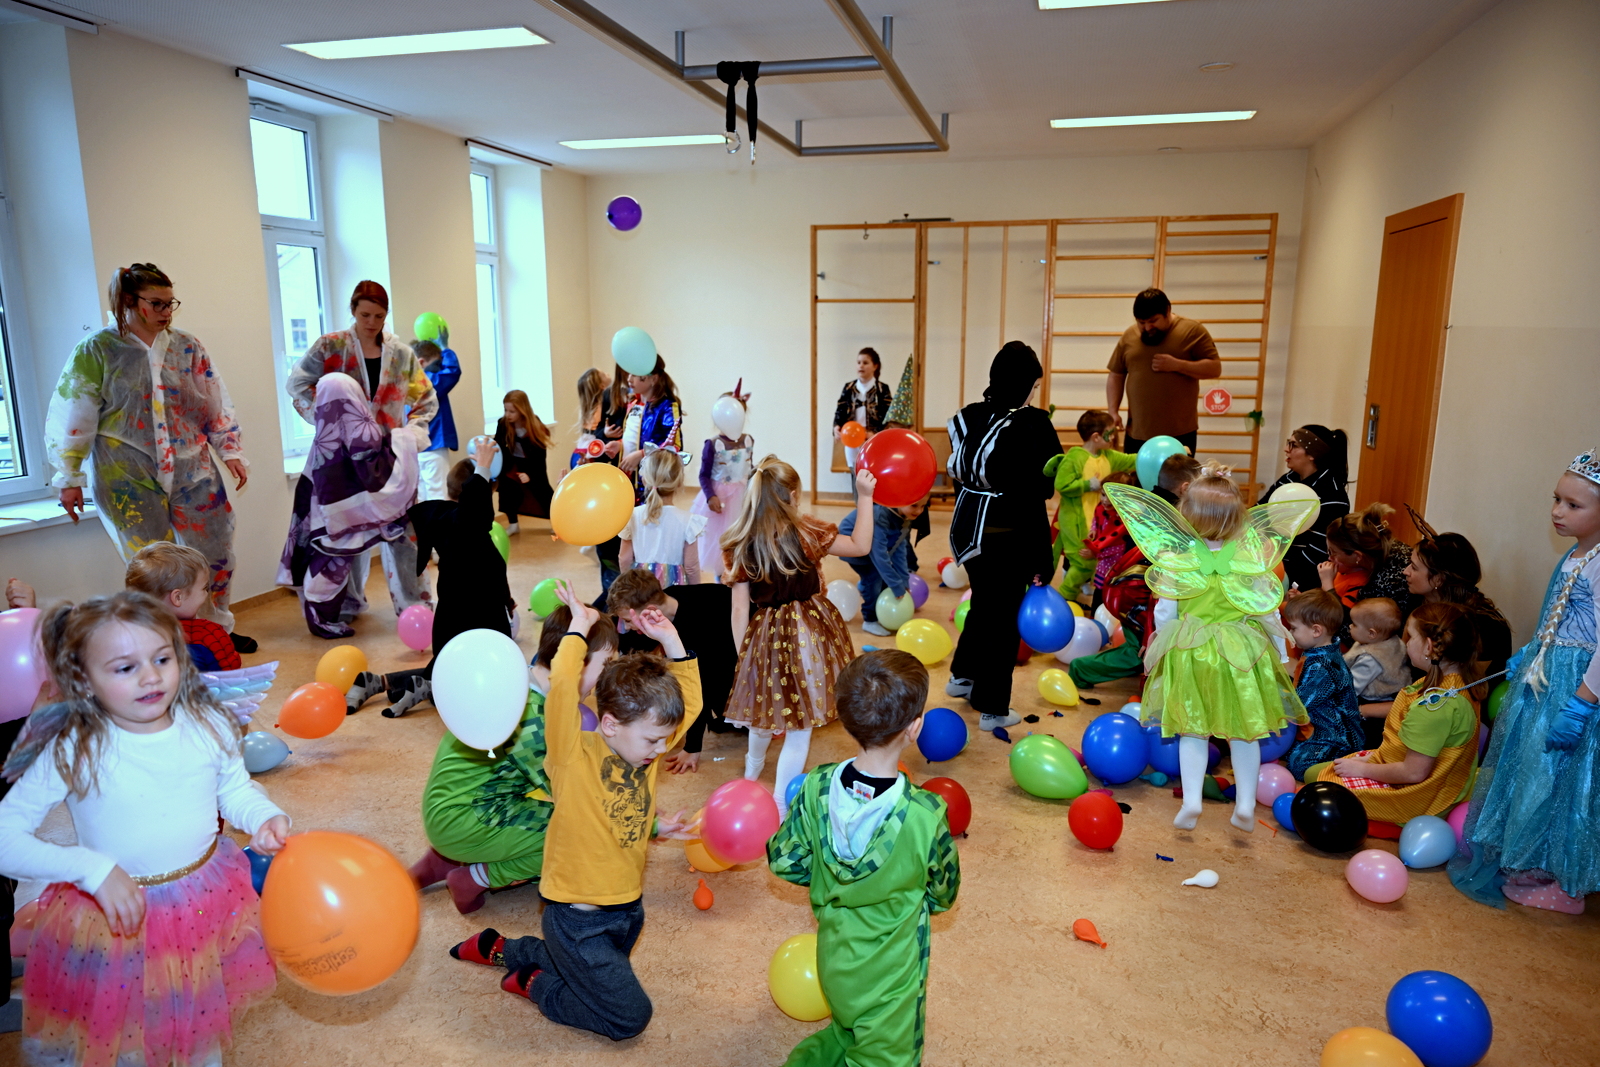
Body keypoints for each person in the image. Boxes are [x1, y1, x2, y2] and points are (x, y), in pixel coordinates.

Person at [0, 591, 290, 1067]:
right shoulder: (73, 747)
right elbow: (5, 839)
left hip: (202, 902)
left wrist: (263, 815)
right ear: (83, 678)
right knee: (128, 1040)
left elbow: (234, 790)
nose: (151, 676)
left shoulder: (209, 724)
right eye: (125, 667)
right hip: (114, 917)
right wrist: (90, 868)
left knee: (199, 1026)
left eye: (162, 658)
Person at [450, 582, 700, 1041]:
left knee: (594, 972)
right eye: (653, 740)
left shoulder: (643, 751)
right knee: (629, 1018)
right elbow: (562, 691)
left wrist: (671, 641)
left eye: (664, 739)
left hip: (626, 906)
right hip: (577, 921)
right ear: (610, 724)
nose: (661, 749)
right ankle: (537, 984)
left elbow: (689, 704)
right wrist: (577, 634)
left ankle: (503, 948)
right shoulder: (570, 754)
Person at [767, 650, 961, 1067]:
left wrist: (826, 875)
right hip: (891, 977)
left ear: (846, 721)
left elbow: (783, 859)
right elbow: (944, 893)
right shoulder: (925, 815)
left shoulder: (815, 786)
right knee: (890, 1056)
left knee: (846, 1024)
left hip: (833, 956)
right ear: (915, 728)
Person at [46, 263, 253, 646]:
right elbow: (73, 417)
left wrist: (231, 450)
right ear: (129, 301)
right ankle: (164, 640)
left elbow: (215, 402)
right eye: (156, 303)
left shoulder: (187, 347)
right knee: (152, 568)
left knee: (215, 554)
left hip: (194, 470)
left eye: (170, 303)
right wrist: (69, 477)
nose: (166, 311)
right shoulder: (97, 350)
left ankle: (215, 631)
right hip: (126, 478)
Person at [1104, 469, 1313, 831]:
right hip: (1240, 656)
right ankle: (1245, 804)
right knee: (1245, 733)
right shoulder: (1249, 560)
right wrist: (1280, 653)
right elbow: (1266, 611)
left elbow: (1166, 612)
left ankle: (1191, 802)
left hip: (1192, 653)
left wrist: (1159, 647)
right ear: (1238, 517)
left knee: (1192, 731)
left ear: (1187, 513)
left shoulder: (1179, 560)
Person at [1450, 451, 1600, 914]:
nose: (1558, 511)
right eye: (1557, 499)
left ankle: (1565, 884)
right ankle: (1533, 860)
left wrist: (1583, 702)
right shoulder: (1577, 554)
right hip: (1547, 679)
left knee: (1562, 779)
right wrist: (1532, 653)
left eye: (1573, 505)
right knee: (1532, 770)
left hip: (1576, 687)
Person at [410, 608, 618, 914]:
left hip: (448, 807)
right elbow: (572, 791)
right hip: (466, 819)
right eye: (606, 664)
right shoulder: (534, 720)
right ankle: (472, 879)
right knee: (577, 833)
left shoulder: (517, 679)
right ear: (577, 660)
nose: (607, 677)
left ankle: (440, 862)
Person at [723, 458, 878, 813]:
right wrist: (865, 496)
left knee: (762, 709)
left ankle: (751, 771)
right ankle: (780, 806)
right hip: (810, 633)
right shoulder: (807, 532)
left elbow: (738, 610)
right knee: (799, 724)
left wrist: (744, 660)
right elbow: (860, 546)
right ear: (793, 495)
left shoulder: (741, 541)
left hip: (765, 635)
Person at [287, 280, 436, 616]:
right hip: (341, 460)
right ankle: (347, 604)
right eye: (365, 314)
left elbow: (426, 398)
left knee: (405, 532)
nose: (372, 322)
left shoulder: (401, 355)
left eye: (379, 316)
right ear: (353, 310)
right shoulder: (330, 347)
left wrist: (414, 432)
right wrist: (328, 421)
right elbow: (297, 384)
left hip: (390, 458)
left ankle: (415, 606)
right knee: (346, 533)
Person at [945, 342, 1063, 729]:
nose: (1033, 394)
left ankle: (963, 676)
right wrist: (1043, 560)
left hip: (967, 532)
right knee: (1004, 622)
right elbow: (1036, 496)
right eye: (1033, 386)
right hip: (1007, 536)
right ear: (1024, 384)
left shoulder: (969, 416)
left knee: (984, 605)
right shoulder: (1034, 425)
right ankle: (992, 707)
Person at [346, 440, 510, 717]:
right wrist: (483, 469)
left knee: (446, 666)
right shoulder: (468, 527)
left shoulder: (442, 518)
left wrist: (508, 598)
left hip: (453, 624)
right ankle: (427, 688)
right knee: (475, 678)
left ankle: (378, 682)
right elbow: (473, 514)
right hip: (473, 624)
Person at [1306, 603, 1483, 833]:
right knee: (1316, 773)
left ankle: (1392, 826)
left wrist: (1362, 770)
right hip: (1416, 773)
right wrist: (1371, 760)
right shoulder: (1456, 685)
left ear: (1429, 647)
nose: (1405, 643)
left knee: (1319, 786)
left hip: (1420, 797)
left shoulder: (1436, 707)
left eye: (1410, 636)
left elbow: (1413, 773)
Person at [277, 373, 423, 639]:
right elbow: (374, 465)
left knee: (327, 562)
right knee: (332, 566)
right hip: (340, 514)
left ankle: (323, 616)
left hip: (323, 510)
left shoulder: (326, 428)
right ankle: (322, 619)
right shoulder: (361, 428)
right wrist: (406, 439)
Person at [607, 569, 740, 774]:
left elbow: (698, 689)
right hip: (719, 655)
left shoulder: (698, 625)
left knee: (726, 708)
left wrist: (692, 747)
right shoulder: (664, 601)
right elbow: (632, 645)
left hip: (736, 662)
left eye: (627, 620)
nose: (625, 626)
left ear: (649, 610)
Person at [1104, 288, 1220, 455]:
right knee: (1134, 473)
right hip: (1137, 432)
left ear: (1167, 311)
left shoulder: (1192, 331)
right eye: (1141, 322)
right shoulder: (1130, 335)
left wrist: (1178, 365)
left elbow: (1215, 368)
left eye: (1153, 321)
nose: (1147, 327)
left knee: (1177, 473)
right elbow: (1116, 374)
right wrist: (1113, 411)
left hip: (1179, 433)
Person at [1044, 410, 1139, 601]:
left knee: (1092, 562)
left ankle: (1070, 596)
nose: (1114, 437)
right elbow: (1061, 484)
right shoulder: (1075, 457)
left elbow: (1133, 459)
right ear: (1096, 437)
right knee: (1083, 564)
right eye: (1110, 433)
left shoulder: (1108, 456)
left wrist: (1169, 453)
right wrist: (1088, 485)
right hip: (1076, 522)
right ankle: (1064, 598)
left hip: (1098, 523)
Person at [1404, 526, 1513, 675]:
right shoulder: (1417, 600)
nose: (1405, 571)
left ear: (1438, 579)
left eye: (1414, 567)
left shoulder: (1485, 627)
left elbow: (1467, 684)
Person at [1282, 591, 1365, 781]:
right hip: (1320, 729)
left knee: (1298, 766)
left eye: (1294, 628)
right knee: (1289, 753)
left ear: (1316, 631)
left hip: (1337, 739)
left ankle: (1347, 766)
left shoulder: (1323, 665)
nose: (1291, 633)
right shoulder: (1321, 652)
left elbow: (1300, 705)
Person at [1258, 425, 1351, 595]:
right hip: (1271, 563)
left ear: (1312, 454)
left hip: (1300, 580)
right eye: (1288, 443)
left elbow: (1317, 553)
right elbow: (1259, 512)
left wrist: (1279, 576)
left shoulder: (1332, 495)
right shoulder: (1288, 479)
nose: (1286, 449)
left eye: (1293, 445)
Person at [125, 542, 241, 672]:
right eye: (204, 588)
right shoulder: (209, 635)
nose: (206, 593)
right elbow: (231, 675)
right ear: (178, 597)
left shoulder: (126, 637)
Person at [571, 368, 629, 604]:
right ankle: (610, 596)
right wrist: (604, 436)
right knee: (608, 544)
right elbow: (596, 438)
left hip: (614, 473)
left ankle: (613, 592)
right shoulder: (606, 400)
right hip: (597, 464)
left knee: (614, 543)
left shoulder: (620, 399)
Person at [839, 496, 929, 638]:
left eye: (923, 506)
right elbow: (879, 556)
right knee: (874, 577)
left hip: (869, 546)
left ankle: (865, 587)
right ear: (900, 501)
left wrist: (903, 581)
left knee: (882, 578)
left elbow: (899, 550)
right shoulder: (881, 516)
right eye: (914, 505)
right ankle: (869, 620)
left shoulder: (904, 517)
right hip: (852, 546)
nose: (919, 511)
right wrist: (896, 585)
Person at [688, 389, 754, 581]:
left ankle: (741, 577)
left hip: (742, 497)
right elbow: (704, 475)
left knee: (742, 538)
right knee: (720, 543)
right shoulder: (713, 444)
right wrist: (710, 496)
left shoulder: (748, 441)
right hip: (720, 501)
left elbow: (749, 468)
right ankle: (721, 579)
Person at [618, 449, 704, 586]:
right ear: (679, 482)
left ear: (644, 480)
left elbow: (625, 559)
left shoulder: (632, 515)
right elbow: (691, 567)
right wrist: (695, 591)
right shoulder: (688, 521)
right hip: (674, 588)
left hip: (641, 585)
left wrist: (628, 585)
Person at [1325, 503, 1419, 622]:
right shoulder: (1381, 547)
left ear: (1357, 556)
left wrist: (1329, 589)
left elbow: (1351, 627)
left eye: (1332, 552)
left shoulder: (1388, 581)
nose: (1329, 557)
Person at [1345, 598, 1414, 747]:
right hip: (1392, 695)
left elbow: (1351, 688)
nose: (1350, 626)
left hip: (1373, 701)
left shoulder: (1371, 658)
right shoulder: (1391, 641)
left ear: (1371, 633)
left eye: (1354, 624)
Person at [619, 356, 684, 491]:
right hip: (629, 478)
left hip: (651, 480)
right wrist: (619, 444)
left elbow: (674, 446)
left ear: (653, 379)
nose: (629, 379)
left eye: (635, 375)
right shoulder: (634, 404)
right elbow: (634, 436)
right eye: (629, 374)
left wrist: (641, 454)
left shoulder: (667, 407)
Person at [495, 390, 554, 531]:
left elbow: (539, 457)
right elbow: (498, 444)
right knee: (507, 489)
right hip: (512, 462)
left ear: (522, 410)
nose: (508, 415)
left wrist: (530, 474)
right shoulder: (503, 424)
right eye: (506, 410)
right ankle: (513, 523)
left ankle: (556, 520)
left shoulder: (535, 426)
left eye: (512, 411)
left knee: (542, 492)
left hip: (533, 464)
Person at [831, 348, 893, 470]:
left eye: (865, 363)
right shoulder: (849, 388)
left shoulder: (882, 389)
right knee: (854, 470)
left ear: (875, 366)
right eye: (858, 362)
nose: (861, 366)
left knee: (873, 471)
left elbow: (888, 415)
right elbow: (840, 410)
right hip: (852, 438)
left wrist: (875, 432)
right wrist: (836, 426)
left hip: (873, 438)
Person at [415, 338, 461, 502]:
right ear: (421, 363)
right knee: (439, 495)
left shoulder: (406, 382)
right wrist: (445, 349)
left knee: (422, 497)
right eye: (436, 364)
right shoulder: (427, 383)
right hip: (433, 446)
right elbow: (453, 371)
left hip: (416, 449)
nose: (439, 368)